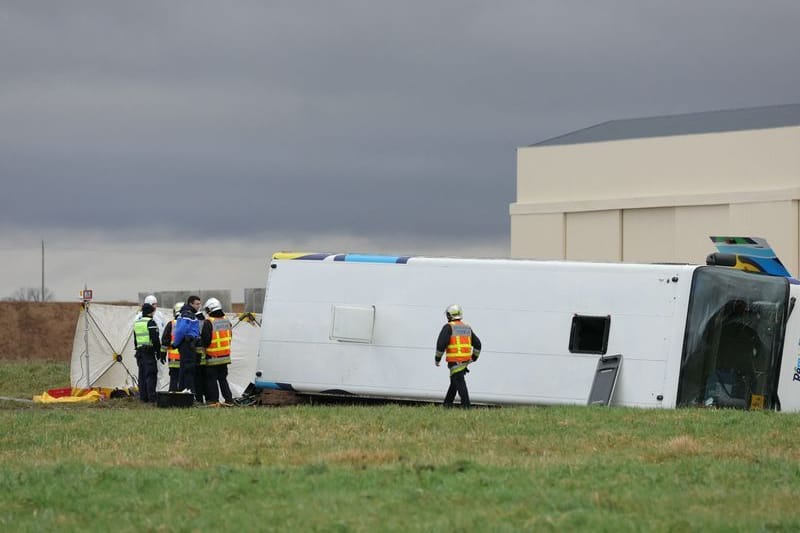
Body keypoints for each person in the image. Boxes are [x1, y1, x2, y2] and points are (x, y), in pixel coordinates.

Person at [434, 304, 481, 408]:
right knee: (455, 382)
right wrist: (474, 357)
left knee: (459, 383)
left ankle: (467, 407)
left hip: (455, 361)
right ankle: (447, 405)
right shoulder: (467, 327)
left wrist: (437, 359)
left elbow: (441, 344)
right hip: (464, 361)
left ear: (449, 315)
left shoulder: (448, 327)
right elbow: (478, 344)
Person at [203, 297, 234, 405]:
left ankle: (214, 400)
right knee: (223, 379)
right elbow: (230, 336)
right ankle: (229, 400)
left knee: (211, 380)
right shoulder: (227, 320)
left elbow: (205, 341)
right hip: (225, 356)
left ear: (209, 309)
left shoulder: (208, 322)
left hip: (212, 357)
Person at [173, 295, 202, 398]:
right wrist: (175, 343)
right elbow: (181, 330)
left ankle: (184, 394)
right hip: (187, 345)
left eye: (199, 304)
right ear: (191, 304)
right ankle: (188, 395)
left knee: (185, 370)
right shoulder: (187, 314)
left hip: (189, 344)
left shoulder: (189, 314)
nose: (199, 306)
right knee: (188, 370)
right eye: (197, 304)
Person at [133, 302, 161, 403]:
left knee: (142, 375)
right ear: (151, 312)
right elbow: (155, 339)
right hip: (148, 352)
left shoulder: (137, 323)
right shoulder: (151, 322)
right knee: (151, 374)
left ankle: (143, 397)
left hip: (140, 352)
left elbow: (135, 340)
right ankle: (152, 397)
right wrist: (158, 352)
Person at [161, 302, 184, 391]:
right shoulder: (189, 324)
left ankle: (172, 397)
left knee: (174, 378)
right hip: (185, 358)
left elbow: (165, 341)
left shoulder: (171, 324)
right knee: (185, 379)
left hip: (173, 359)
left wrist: (163, 353)